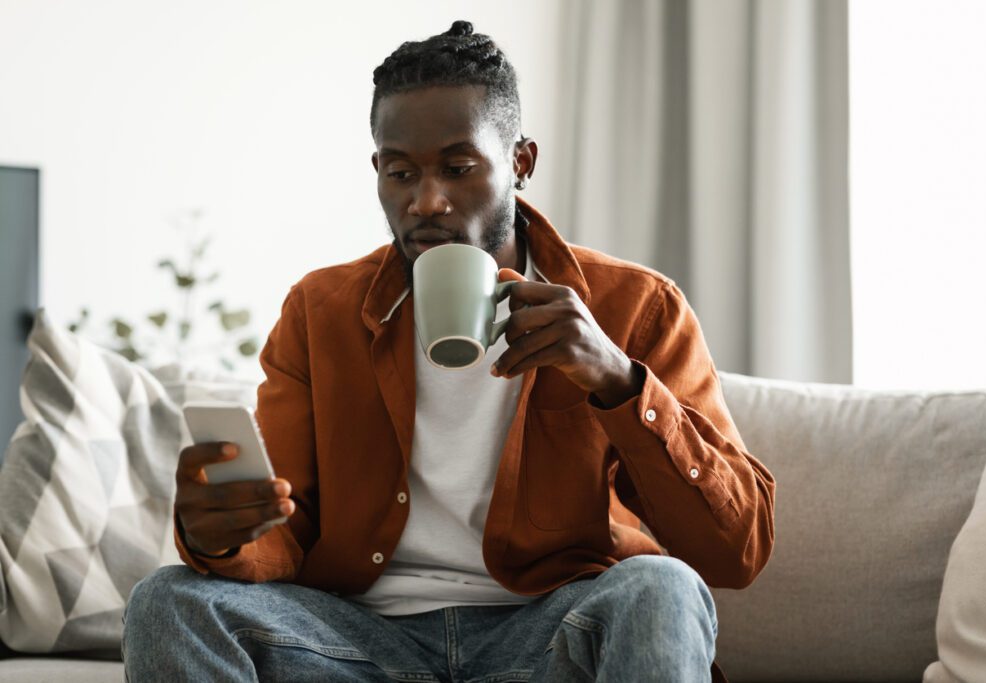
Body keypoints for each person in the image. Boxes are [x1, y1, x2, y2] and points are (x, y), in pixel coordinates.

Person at [122, 20, 775, 683]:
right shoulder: (320, 312)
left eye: (458, 168)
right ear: (378, 171)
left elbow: (736, 550)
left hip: (548, 632)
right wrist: (221, 536)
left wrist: (615, 378)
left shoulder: (636, 306)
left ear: (521, 162)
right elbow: (286, 530)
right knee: (169, 601)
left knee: (659, 589)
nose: (425, 201)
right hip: (361, 641)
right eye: (400, 172)